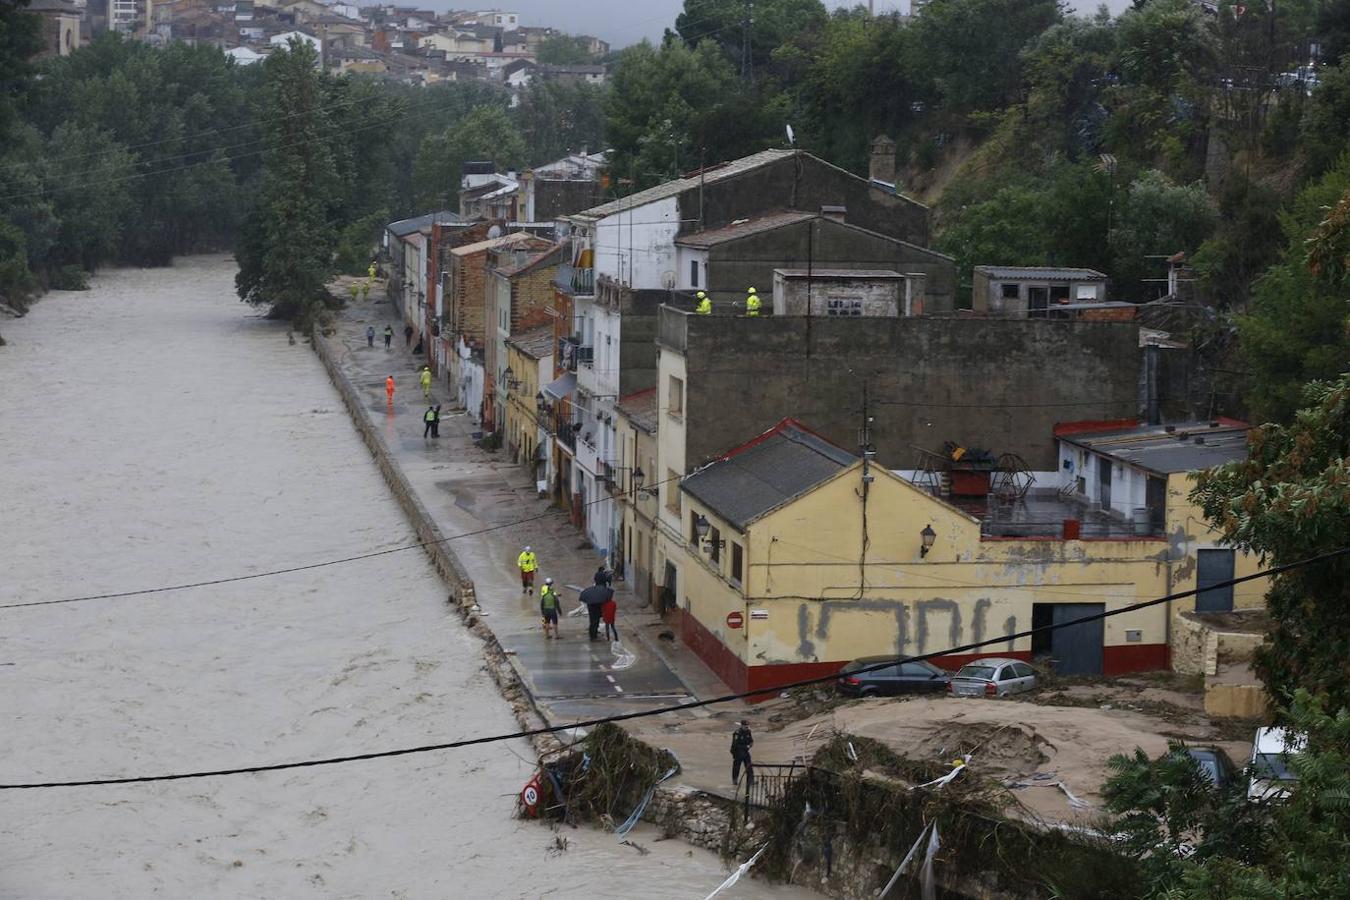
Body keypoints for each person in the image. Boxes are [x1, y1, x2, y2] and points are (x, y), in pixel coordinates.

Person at [731, 720, 754, 787]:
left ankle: (751, 781)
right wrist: (745, 746)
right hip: (737, 752)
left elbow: (751, 740)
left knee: (749, 766)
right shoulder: (737, 733)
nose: (747, 727)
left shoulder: (748, 731)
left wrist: (751, 744)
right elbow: (735, 745)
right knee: (736, 767)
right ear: (742, 726)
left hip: (745, 751)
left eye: (747, 725)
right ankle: (735, 781)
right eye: (745, 726)